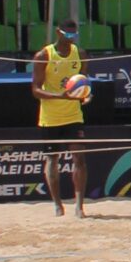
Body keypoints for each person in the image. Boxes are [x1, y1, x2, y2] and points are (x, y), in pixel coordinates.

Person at [31, 19, 88, 215]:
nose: (71, 38)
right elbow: (36, 90)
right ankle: (57, 204)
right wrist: (60, 96)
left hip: (73, 115)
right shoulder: (44, 55)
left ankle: (79, 205)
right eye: (67, 34)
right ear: (58, 32)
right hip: (51, 117)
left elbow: (84, 85)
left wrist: (85, 96)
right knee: (52, 160)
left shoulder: (80, 54)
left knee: (79, 158)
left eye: (74, 35)